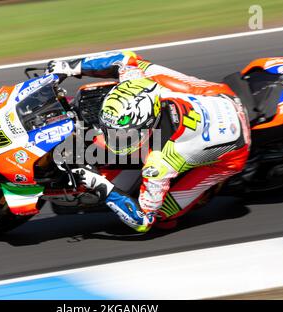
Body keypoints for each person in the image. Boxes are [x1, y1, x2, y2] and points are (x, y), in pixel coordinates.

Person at [46, 51, 251, 232]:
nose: (108, 135)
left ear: (146, 127)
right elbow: (124, 59)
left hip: (233, 149)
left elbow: (143, 221)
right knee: (142, 69)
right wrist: (70, 67)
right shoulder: (141, 82)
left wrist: (100, 185)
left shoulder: (161, 163)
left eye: (119, 133)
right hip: (219, 96)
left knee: (162, 216)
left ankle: (207, 189)